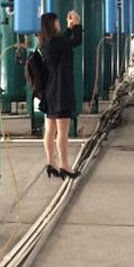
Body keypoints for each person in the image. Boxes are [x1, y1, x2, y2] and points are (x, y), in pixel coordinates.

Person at [39, 9, 83, 179]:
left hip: (50, 91)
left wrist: (69, 28)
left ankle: (51, 163)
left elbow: (64, 41)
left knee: (50, 130)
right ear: (52, 24)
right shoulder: (56, 43)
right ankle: (65, 165)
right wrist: (77, 24)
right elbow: (76, 41)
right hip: (61, 91)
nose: (59, 23)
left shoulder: (46, 42)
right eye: (57, 21)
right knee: (62, 132)